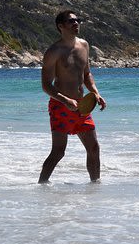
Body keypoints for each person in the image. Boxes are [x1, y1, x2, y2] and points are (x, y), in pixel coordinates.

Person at [39, 10, 107, 183]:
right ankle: (41, 185)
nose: (76, 23)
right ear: (61, 26)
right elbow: (46, 85)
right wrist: (65, 100)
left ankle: (95, 185)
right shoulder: (53, 51)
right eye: (71, 21)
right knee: (58, 151)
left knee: (93, 148)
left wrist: (96, 93)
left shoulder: (84, 45)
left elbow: (87, 74)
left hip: (82, 106)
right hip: (61, 105)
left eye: (78, 20)